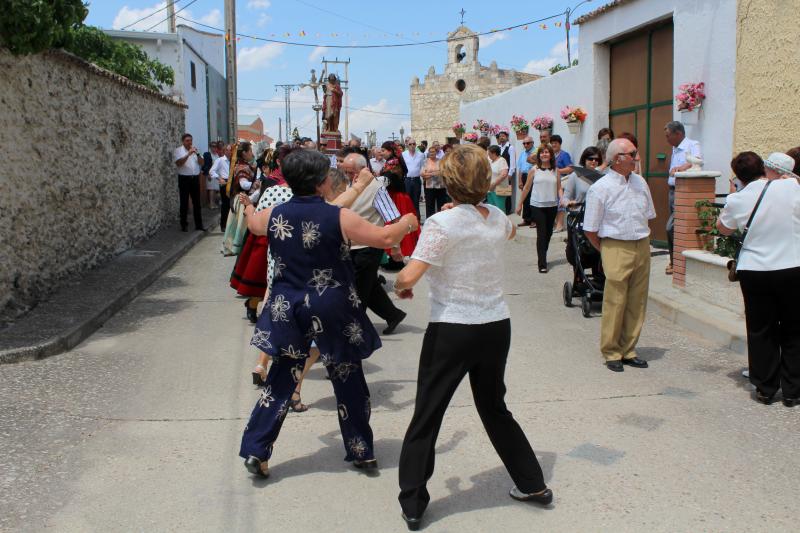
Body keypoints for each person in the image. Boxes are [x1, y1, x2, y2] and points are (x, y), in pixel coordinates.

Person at [394, 144, 552, 530]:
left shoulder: (442, 224)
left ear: (447, 184)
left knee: (428, 413)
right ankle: (532, 483)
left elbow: (408, 277)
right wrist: (467, 210)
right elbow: (511, 229)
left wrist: (401, 285)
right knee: (495, 407)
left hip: (453, 327)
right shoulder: (496, 217)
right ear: (485, 180)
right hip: (496, 325)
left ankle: (414, 502)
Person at [237, 149, 419, 479]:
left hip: (286, 306)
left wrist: (248, 205)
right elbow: (385, 237)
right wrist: (408, 221)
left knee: (280, 379)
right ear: (323, 182)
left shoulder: (274, 214)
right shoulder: (338, 217)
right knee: (347, 375)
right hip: (331, 305)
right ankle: (361, 450)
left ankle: (256, 449)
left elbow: (252, 224)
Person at [716, 152, 800, 406]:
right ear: (763, 168)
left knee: (760, 328)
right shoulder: (790, 187)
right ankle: (793, 390)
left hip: (755, 270)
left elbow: (723, 228)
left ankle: (765, 388)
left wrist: (735, 193)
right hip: (791, 265)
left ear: (739, 176)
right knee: (794, 328)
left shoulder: (737, 199)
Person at [583, 138, 656, 372]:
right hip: (615, 245)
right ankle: (611, 351)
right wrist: (605, 250)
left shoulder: (640, 182)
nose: (636, 157)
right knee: (615, 301)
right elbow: (590, 229)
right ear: (617, 159)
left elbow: (649, 214)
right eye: (631, 153)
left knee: (637, 300)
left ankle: (629, 349)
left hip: (641, 244)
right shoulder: (600, 188)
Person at [340, 151, 409, 334]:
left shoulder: (376, 187)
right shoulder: (345, 185)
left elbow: (393, 217)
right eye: (346, 172)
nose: (348, 176)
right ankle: (393, 314)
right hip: (350, 246)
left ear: (362, 169)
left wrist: (395, 247)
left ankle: (355, 330)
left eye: (351, 172)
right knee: (368, 286)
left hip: (369, 247)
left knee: (358, 291)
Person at [517, 144, 561, 273]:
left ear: (551, 155)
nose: (544, 154)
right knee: (541, 234)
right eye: (542, 153)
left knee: (548, 233)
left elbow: (559, 187)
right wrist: (519, 204)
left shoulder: (556, 170)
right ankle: (542, 263)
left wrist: (562, 199)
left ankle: (543, 253)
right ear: (539, 155)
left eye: (547, 152)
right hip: (537, 206)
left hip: (552, 206)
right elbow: (526, 188)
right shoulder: (534, 170)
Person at [665, 121, 702, 275]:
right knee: (675, 228)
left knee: (670, 227)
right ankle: (674, 260)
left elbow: (697, 160)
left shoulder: (692, 144)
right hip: (673, 191)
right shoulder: (674, 148)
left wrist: (681, 168)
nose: (666, 139)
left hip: (684, 192)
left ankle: (676, 261)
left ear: (678, 133)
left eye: (668, 136)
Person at [221, 142, 260, 256]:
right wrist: (257, 183)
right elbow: (243, 185)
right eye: (250, 151)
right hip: (242, 198)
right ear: (244, 153)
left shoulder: (246, 165)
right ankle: (238, 247)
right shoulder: (241, 167)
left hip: (245, 198)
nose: (252, 153)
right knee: (241, 225)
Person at [173, 133, 205, 232]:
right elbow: (179, 163)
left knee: (197, 203)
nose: (189, 142)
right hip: (184, 179)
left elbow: (201, 163)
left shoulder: (195, 151)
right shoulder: (178, 151)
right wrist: (188, 154)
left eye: (190, 140)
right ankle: (184, 225)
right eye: (187, 141)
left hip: (195, 178)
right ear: (183, 141)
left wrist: (198, 154)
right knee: (184, 202)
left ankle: (199, 225)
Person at [551, 135, 573, 232]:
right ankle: (555, 224)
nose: (553, 145)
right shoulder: (551, 155)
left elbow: (570, 168)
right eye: (552, 143)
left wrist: (558, 171)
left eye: (555, 143)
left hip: (562, 183)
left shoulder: (564, 155)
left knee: (560, 204)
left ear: (560, 144)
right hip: (552, 184)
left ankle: (560, 225)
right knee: (553, 204)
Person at [421, 146, 448, 219]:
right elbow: (422, 174)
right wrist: (434, 173)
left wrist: (429, 174)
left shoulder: (441, 161)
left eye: (433, 151)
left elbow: (442, 172)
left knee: (441, 206)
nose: (431, 153)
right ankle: (430, 221)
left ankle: (442, 220)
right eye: (430, 152)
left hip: (440, 187)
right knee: (429, 206)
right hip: (429, 187)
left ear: (436, 152)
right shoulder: (425, 161)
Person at [402, 137, 426, 218]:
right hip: (407, 180)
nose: (412, 145)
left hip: (416, 180)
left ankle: (417, 220)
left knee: (416, 202)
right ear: (407, 145)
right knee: (407, 201)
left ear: (416, 145)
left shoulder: (421, 155)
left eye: (414, 144)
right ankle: (408, 220)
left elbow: (422, 167)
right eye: (410, 144)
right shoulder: (403, 154)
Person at [210, 144, 232, 231]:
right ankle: (223, 225)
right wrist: (219, 178)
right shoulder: (220, 160)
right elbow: (211, 171)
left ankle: (231, 225)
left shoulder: (234, 161)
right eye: (228, 150)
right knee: (225, 205)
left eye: (231, 150)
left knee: (233, 205)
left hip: (233, 182)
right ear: (224, 151)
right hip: (225, 183)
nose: (230, 152)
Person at [517, 135, 535, 227]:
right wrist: (519, 181)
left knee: (532, 198)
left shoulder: (536, 152)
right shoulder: (522, 154)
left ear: (532, 143)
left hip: (533, 176)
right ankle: (526, 219)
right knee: (525, 198)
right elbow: (520, 168)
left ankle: (533, 220)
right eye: (524, 143)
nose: (525, 145)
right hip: (524, 176)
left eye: (528, 143)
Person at [496, 129, 516, 214]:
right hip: (499, 174)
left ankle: (507, 210)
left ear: (507, 137)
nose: (501, 138)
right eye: (500, 137)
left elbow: (512, 163)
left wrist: (510, 175)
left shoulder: (510, 147)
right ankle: (500, 209)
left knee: (506, 193)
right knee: (500, 192)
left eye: (503, 136)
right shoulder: (499, 147)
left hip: (507, 174)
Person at [487, 145, 510, 211]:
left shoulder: (502, 160)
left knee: (500, 209)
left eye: (489, 154)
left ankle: (502, 221)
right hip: (491, 189)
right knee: (492, 209)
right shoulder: (492, 161)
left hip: (500, 189)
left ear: (494, 153)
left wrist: (493, 184)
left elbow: (504, 174)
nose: (488, 156)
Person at [203, 142, 220, 209]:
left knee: (216, 189)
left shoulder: (217, 155)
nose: (214, 148)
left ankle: (214, 203)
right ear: (210, 147)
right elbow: (205, 165)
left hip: (216, 174)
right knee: (211, 190)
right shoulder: (207, 154)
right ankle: (211, 204)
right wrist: (207, 174)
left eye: (215, 147)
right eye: (213, 146)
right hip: (210, 174)